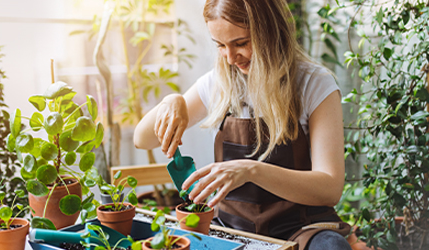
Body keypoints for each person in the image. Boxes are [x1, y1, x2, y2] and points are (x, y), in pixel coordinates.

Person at [133, 0, 352, 249]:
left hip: (301, 230)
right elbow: (142, 139)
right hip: (230, 230)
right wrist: (171, 101)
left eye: (241, 43)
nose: (230, 58)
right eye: (220, 46)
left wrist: (251, 170)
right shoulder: (219, 83)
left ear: (271, 32)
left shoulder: (314, 84)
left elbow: (330, 188)